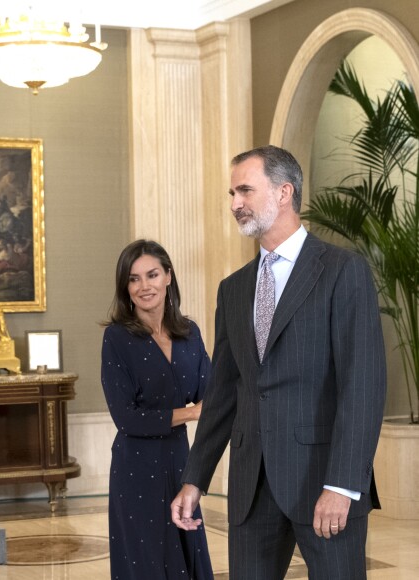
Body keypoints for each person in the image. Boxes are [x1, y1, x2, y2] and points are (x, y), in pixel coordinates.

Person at [171, 145, 387, 579]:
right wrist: (195, 478)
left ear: (284, 192)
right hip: (251, 488)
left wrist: (342, 485)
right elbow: (224, 394)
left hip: (323, 483)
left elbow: (362, 386)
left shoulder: (343, 271)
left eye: (245, 190)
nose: (235, 204)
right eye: (232, 193)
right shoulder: (233, 289)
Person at [101, 239, 214, 579]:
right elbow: (127, 418)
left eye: (151, 275)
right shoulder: (117, 338)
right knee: (146, 564)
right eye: (134, 279)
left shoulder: (189, 333)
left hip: (181, 462)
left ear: (168, 276)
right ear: (126, 287)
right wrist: (191, 413)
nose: (144, 286)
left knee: (188, 555)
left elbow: (213, 394)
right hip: (135, 468)